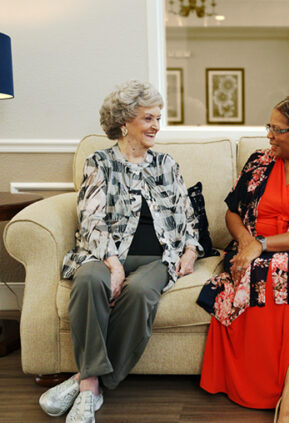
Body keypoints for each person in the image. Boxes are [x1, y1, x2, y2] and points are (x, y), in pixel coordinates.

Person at [39, 80, 202, 423]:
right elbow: (90, 218)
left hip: (158, 257)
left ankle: (88, 381)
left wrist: (189, 251)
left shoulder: (166, 165)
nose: (156, 125)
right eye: (148, 118)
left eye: (158, 118)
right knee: (88, 282)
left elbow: (187, 215)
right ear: (125, 122)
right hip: (103, 253)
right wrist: (112, 263)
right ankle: (91, 385)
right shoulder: (100, 162)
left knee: (142, 291)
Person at [197, 92, 289, 423]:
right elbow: (232, 213)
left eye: (277, 129)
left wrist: (262, 245)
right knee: (262, 272)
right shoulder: (258, 162)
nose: (269, 135)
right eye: (270, 127)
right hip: (254, 245)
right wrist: (248, 241)